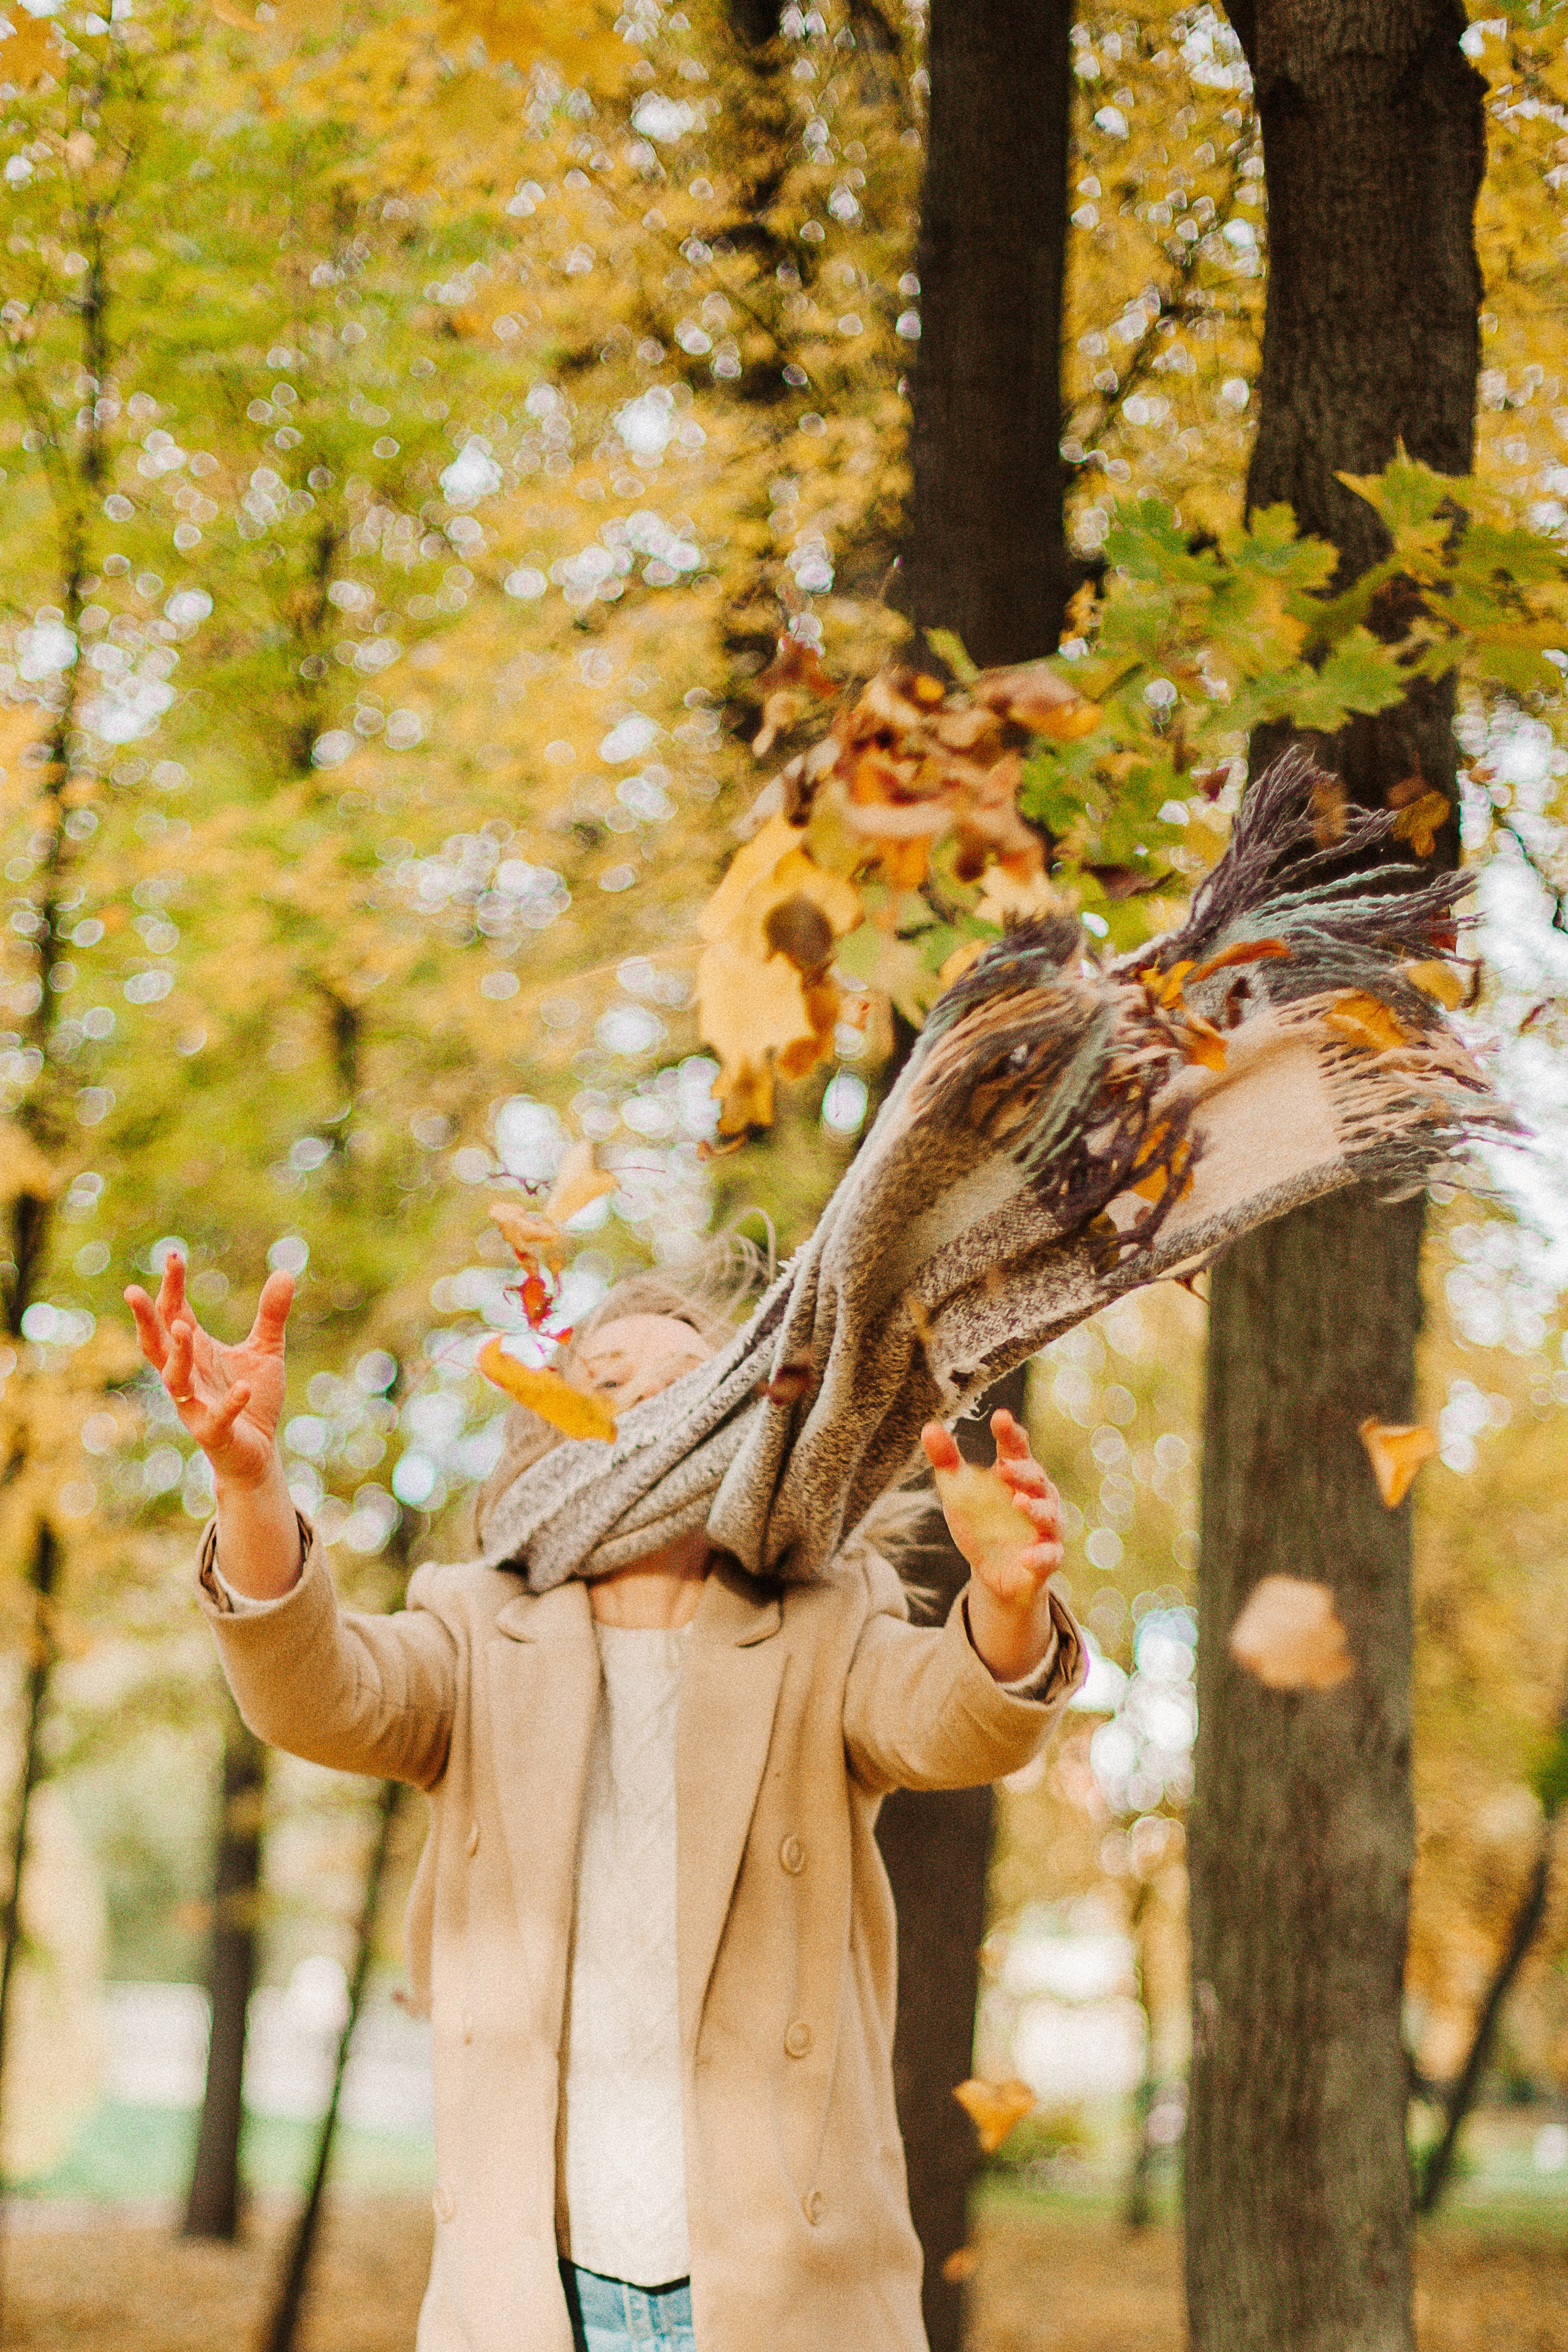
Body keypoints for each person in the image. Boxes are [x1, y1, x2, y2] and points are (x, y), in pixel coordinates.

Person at [127, 1248, 1084, 2352]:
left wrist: (1010, 1607)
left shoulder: (828, 1622)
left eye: (694, 1380)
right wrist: (251, 1485)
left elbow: (953, 1718)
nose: (652, 1402)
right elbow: (316, 1693)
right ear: (553, 1441)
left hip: (783, 2303)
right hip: (540, 2308)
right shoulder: (477, 1628)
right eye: (612, 1382)